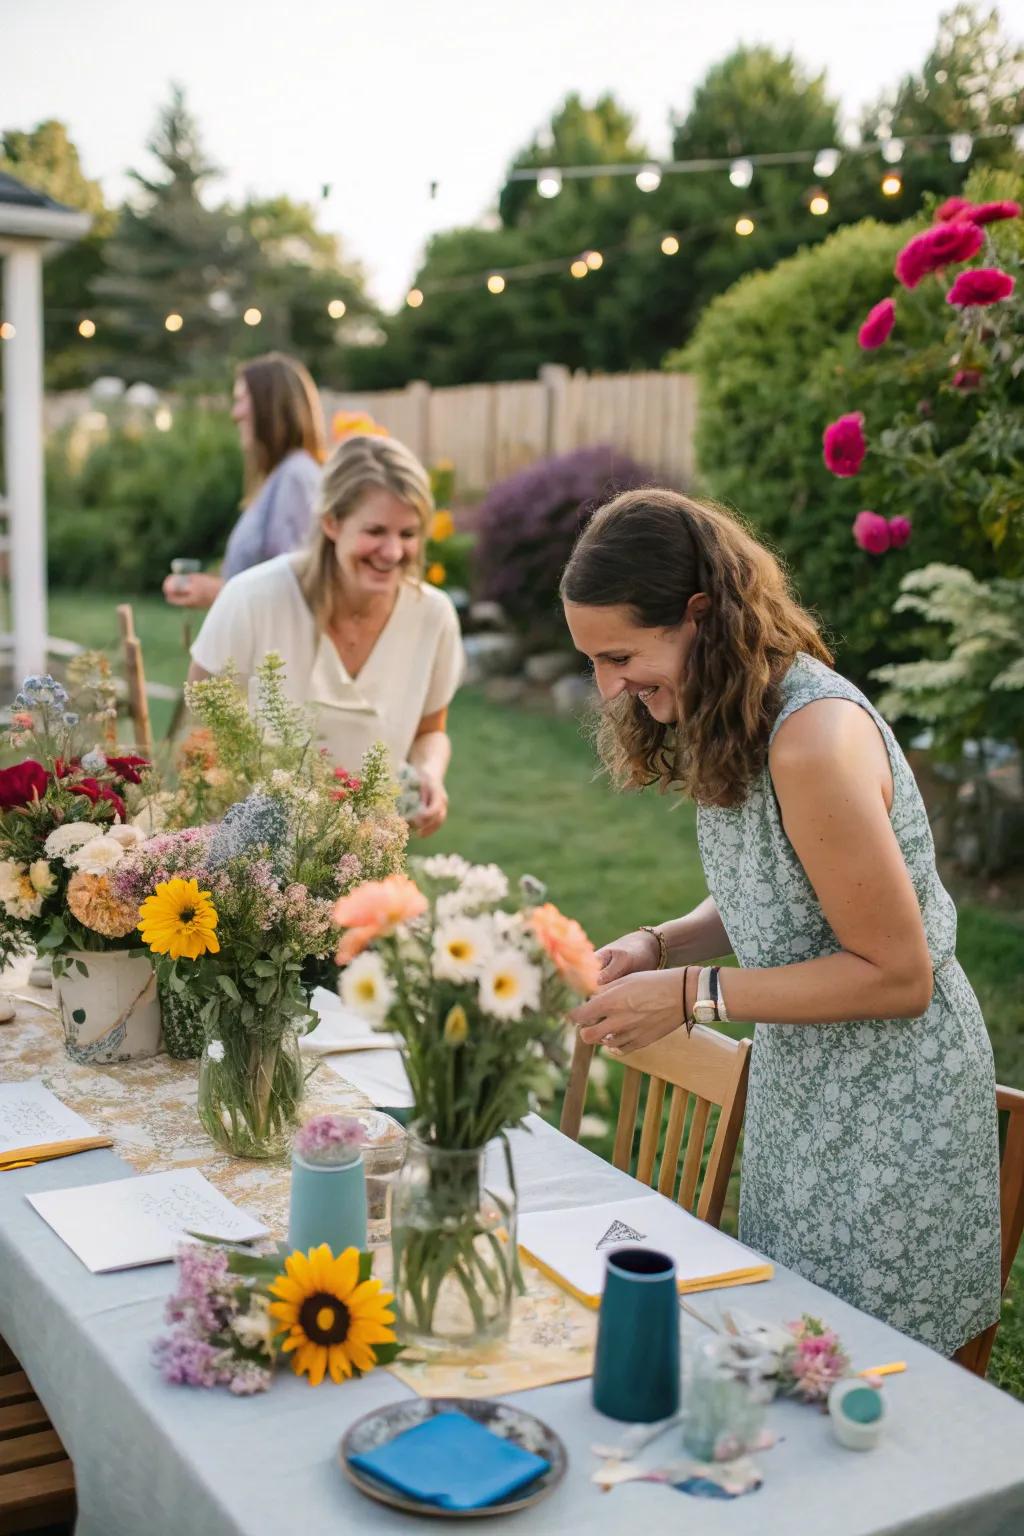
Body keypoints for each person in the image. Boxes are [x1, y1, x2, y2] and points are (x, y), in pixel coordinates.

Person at [563, 487, 1000, 1357]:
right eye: (594, 662)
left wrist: (691, 994)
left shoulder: (811, 739)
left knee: (870, 1379)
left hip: (893, 1108)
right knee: (791, 1355)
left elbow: (897, 974)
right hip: (807, 1090)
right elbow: (785, 890)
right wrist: (661, 943)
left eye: (620, 655)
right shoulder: (737, 714)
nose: (609, 686)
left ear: (698, 617)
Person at [189, 433, 463, 836]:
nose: (392, 552)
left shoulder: (433, 616)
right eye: (376, 531)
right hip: (249, 861)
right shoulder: (251, 598)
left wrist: (429, 773)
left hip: (369, 854)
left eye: (408, 534)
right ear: (331, 522)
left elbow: (430, 731)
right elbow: (200, 732)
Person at [163, 352, 325, 610]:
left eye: (242, 400)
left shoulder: (296, 477)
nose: (235, 413)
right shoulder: (281, 476)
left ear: (269, 406)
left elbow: (298, 587)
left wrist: (217, 592)